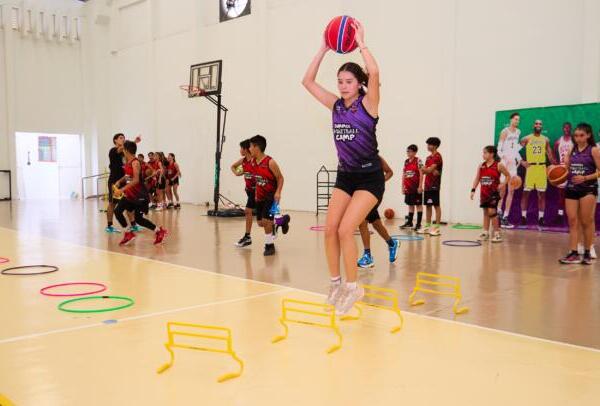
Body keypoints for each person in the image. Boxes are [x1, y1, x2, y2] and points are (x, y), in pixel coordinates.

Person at [302, 20, 381, 315]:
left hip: (369, 178)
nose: (343, 86)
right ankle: (335, 283)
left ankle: (353, 287)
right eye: (340, 81)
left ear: (358, 84)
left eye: (348, 81)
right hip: (346, 176)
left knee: (348, 229)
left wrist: (361, 42)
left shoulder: (368, 104)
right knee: (330, 229)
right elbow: (307, 82)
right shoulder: (336, 106)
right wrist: (323, 47)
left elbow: (374, 72)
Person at [559, 123, 600, 265]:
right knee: (572, 221)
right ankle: (573, 253)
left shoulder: (594, 150)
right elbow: (567, 169)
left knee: (586, 221)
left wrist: (585, 178)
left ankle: (588, 252)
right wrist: (560, 169)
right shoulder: (572, 149)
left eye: (581, 135)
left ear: (588, 135)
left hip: (588, 188)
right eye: (576, 135)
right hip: (571, 188)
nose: (578, 138)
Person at [113, 141, 167, 246]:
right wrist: (120, 181)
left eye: (123, 148)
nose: (122, 150)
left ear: (126, 150)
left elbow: (136, 180)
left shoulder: (135, 162)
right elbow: (128, 176)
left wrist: (122, 189)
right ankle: (128, 233)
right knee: (118, 211)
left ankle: (159, 231)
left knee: (139, 219)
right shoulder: (128, 162)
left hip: (139, 196)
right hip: (129, 195)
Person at [357, 156, 400, 268]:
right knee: (376, 224)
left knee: (362, 221)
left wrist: (380, 181)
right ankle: (392, 243)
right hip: (362, 193)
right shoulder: (355, 159)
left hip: (375, 192)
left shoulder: (376, 158)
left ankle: (367, 256)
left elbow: (390, 172)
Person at [248, 135, 287, 256]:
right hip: (259, 196)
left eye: (250, 146)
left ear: (256, 147)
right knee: (260, 223)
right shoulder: (253, 162)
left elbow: (280, 178)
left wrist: (278, 192)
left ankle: (269, 246)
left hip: (271, 195)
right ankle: (283, 221)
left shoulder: (270, 162)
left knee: (265, 221)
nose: (249, 149)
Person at [520, 119, 556, 227]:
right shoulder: (526, 138)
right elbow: (515, 151)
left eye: (540, 124)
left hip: (541, 168)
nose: (538, 125)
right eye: (536, 123)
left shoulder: (545, 139)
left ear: (542, 126)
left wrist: (554, 163)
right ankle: (523, 217)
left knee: (542, 195)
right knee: (526, 194)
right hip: (530, 167)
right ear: (533, 125)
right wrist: (521, 161)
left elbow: (549, 153)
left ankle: (541, 218)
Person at [470, 146, 510, 243]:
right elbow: (477, 178)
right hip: (484, 193)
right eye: (483, 153)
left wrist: (503, 184)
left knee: (492, 212)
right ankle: (485, 232)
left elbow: (508, 175)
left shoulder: (498, 165)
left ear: (492, 154)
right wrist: (473, 190)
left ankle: (497, 234)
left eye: (485, 153)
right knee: (485, 212)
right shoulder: (481, 165)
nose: (483, 155)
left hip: (493, 193)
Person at [106, 133, 141, 233]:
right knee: (112, 203)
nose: (123, 139)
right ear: (115, 140)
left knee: (128, 202)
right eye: (121, 138)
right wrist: (134, 141)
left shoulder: (124, 153)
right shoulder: (113, 150)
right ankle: (109, 226)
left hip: (124, 180)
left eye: (124, 138)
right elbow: (123, 148)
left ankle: (133, 225)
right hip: (114, 181)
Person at [497, 112, 522, 228]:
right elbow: (499, 149)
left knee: (511, 190)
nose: (517, 121)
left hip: (513, 165)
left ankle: (506, 217)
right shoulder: (504, 131)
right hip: (505, 163)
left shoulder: (518, 132)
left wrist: (520, 160)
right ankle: (498, 213)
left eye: (518, 120)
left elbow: (516, 149)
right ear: (511, 120)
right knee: (502, 190)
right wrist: (504, 157)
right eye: (515, 119)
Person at [232, 139, 256, 247]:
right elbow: (232, 166)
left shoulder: (255, 161)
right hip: (249, 190)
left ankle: (247, 237)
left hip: (257, 191)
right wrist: (238, 172)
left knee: (248, 211)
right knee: (261, 217)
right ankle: (278, 222)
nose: (240, 150)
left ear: (246, 149)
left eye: (241, 148)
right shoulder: (243, 161)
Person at [419, 137, 443, 236]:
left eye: (430, 144)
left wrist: (423, 168)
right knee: (428, 205)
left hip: (434, 185)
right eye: (427, 144)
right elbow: (424, 171)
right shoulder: (428, 158)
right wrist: (425, 169)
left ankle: (437, 227)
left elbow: (427, 170)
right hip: (427, 185)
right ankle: (427, 226)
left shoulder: (437, 156)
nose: (428, 146)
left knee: (436, 206)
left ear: (435, 146)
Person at [399, 144, 423, 231]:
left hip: (416, 187)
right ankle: (409, 222)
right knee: (410, 205)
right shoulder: (406, 161)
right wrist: (402, 186)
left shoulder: (418, 161)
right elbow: (404, 174)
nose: (408, 153)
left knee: (418, 205)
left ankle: (419, 224)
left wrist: (420, 186)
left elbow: (421, 173)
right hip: (408, 187)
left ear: (415, 152)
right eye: (407, 151)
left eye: (410, 151)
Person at [554, 122, 573, 224]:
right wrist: (557, 163)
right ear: (562, 129)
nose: (566, 129)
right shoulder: (558, 141)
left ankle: (572, 215)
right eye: (565, 127)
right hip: (561, 168)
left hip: (572, 168)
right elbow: (553, 151)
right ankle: (560, 215)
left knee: (573, 193)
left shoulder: (573, 141)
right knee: (561, 194)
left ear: (571, 129)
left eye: (568, 128)